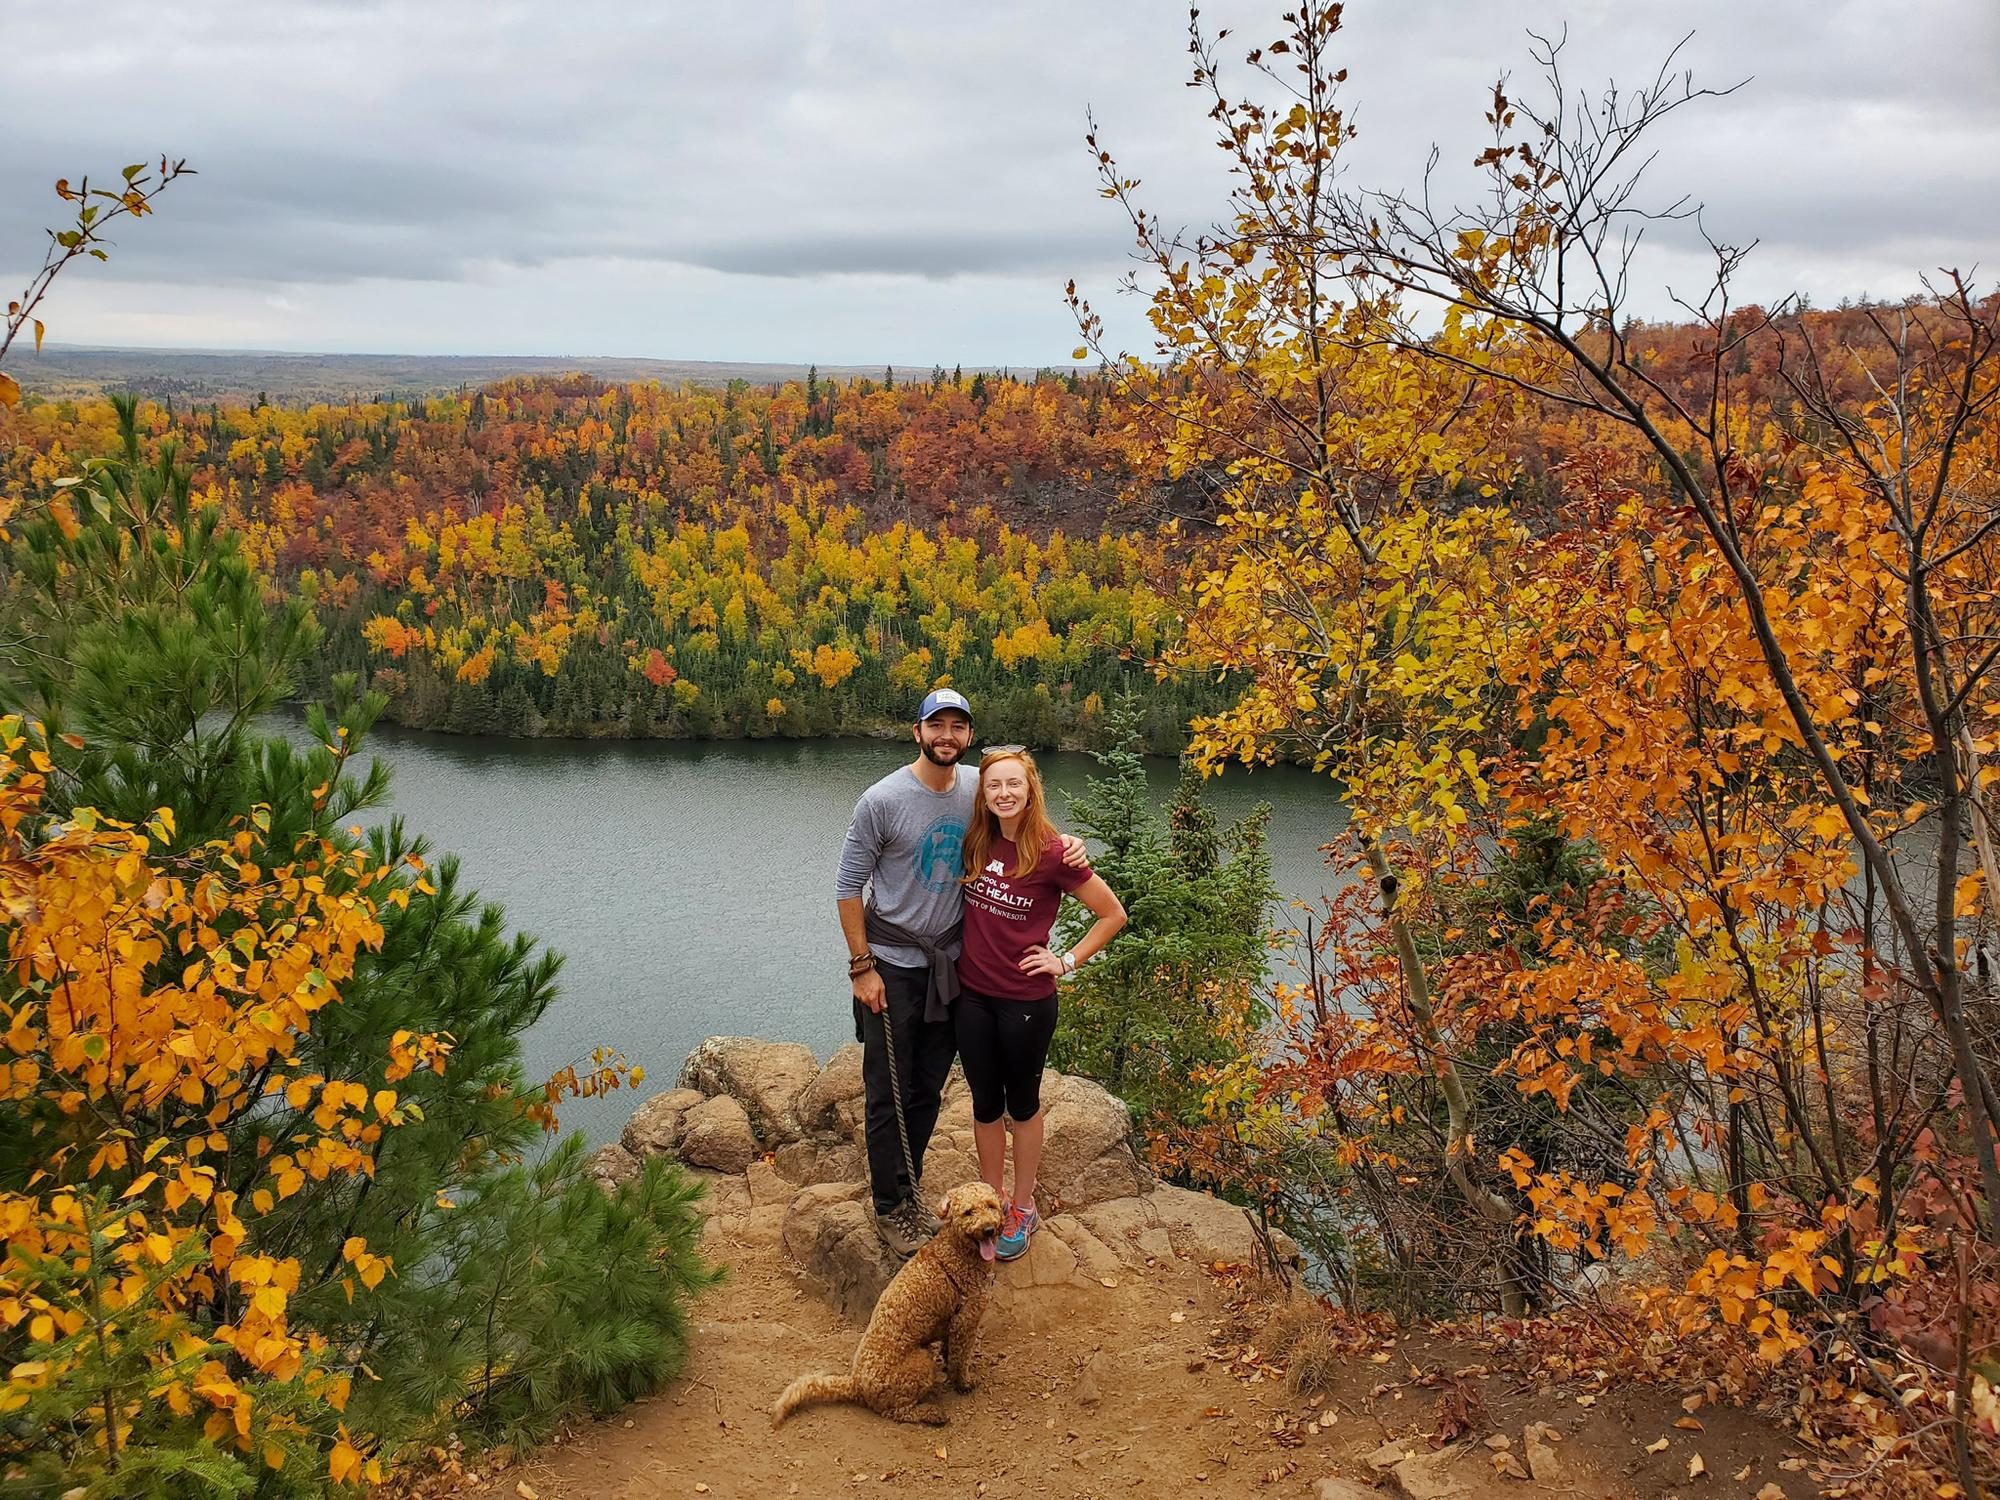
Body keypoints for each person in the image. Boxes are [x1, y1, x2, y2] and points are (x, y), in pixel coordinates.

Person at [836, 690, 1086, 1257]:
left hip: (953, 968)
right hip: (893, 966)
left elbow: (1022, 811)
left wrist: (1068, 842)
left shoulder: (978, 786)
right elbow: (848, 886)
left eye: (957, 727)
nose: (946, 736)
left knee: (926, 1087)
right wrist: (862, 967)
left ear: (968, 737)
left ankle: (909, 1188)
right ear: (917, 732)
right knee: (888, 1090)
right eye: (936, 726)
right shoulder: (882, 800)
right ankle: (890, 1207)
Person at [955, 746, 1125, 1261]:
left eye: (1014, 785)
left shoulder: (1054, 852)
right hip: (971, 995)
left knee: (1021, 1106)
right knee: (985, 1106)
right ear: (983, 794)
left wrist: (1065, 961)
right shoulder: (977, 840)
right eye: (994, 786)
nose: (1004, 793)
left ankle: (1022, 1207)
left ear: (1031, 791)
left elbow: (1111, 914)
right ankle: (990, 1201)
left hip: (1025, 1001)